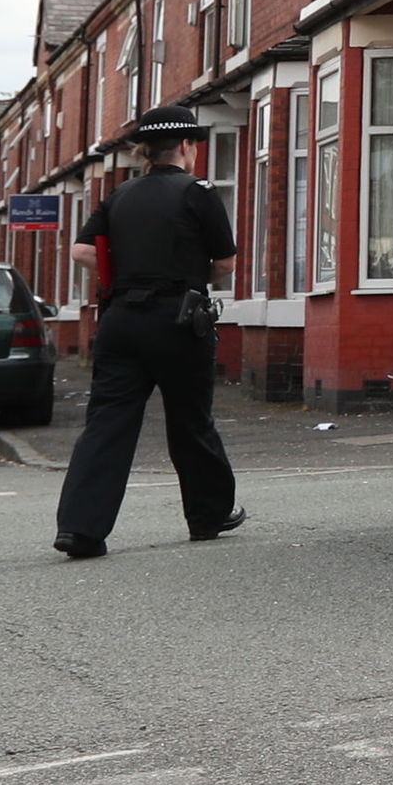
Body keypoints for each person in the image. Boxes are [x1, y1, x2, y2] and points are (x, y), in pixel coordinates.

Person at [53, 105, 245, 558]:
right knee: (190, 420)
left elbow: (82, 250)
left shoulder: (119, 196)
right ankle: (208, 515)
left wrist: (122, 273)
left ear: (146, 151)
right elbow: (225, 263)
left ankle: (80, 529)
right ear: (185, 147)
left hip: (120, 321)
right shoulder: (198, 192)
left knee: (106, 423)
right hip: (177, 320)